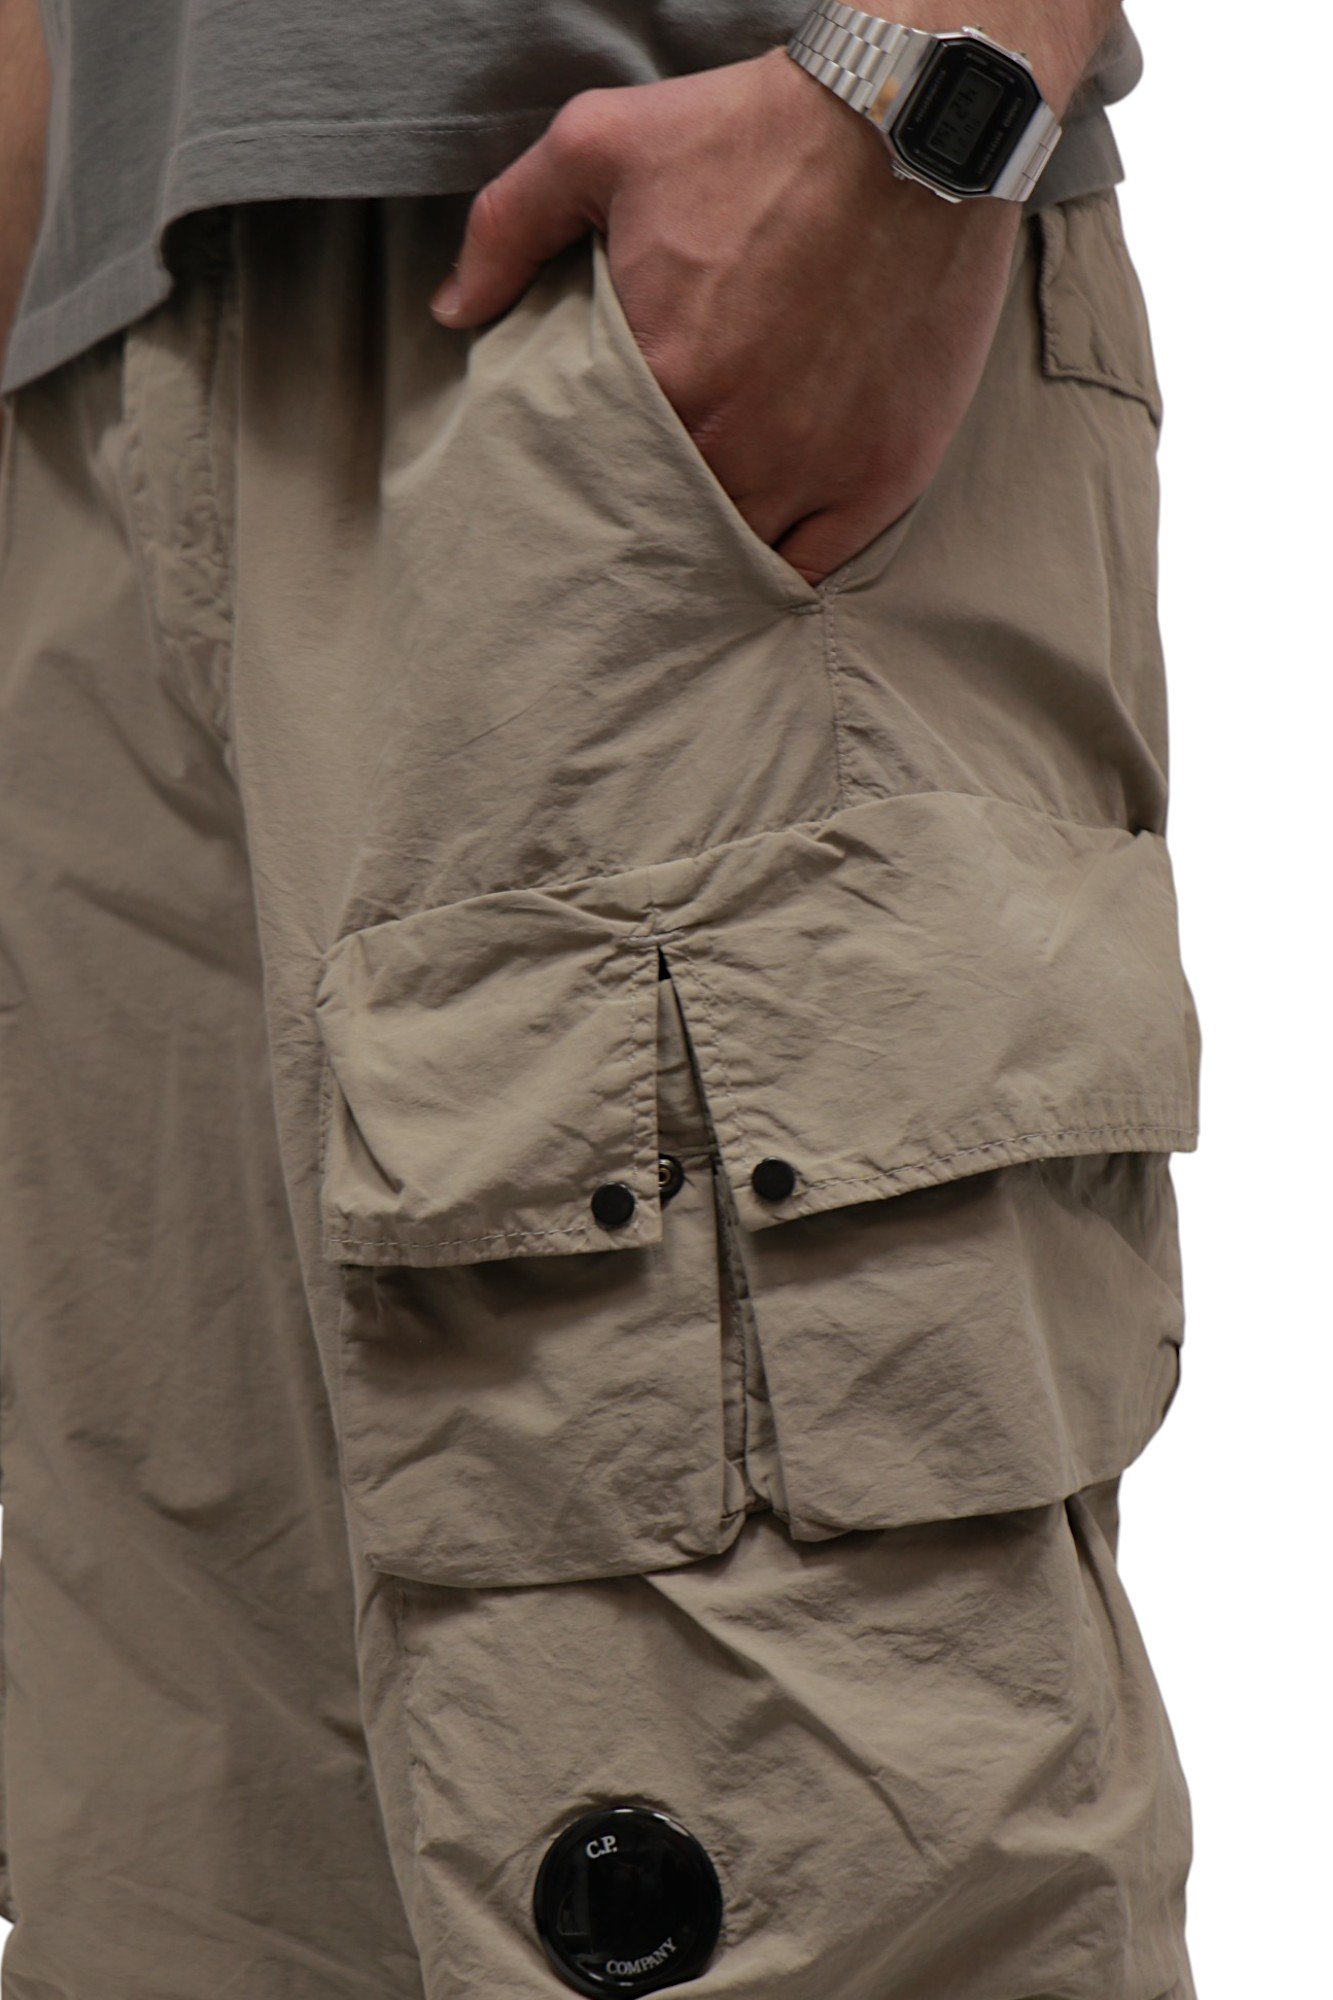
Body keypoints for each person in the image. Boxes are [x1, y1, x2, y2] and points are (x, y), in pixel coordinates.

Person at [0, 3, 1201, 1994]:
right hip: (88, 368)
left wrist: (937, 84)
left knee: (779, 1834)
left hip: (639, 281)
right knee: (191, 1901)